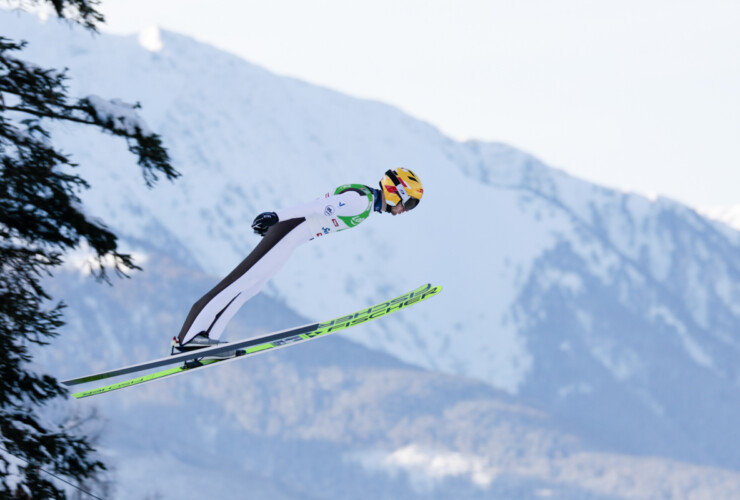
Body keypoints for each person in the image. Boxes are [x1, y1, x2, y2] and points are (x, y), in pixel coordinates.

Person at [172, 167, 424, 354]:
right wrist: (276, 217)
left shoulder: (367, 204)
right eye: (409, 202)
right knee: (236, 283)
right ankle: (186, 340)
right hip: (287, 232)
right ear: (396, 192)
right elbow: (316, 207)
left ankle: (207, 340)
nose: (406, 210)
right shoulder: (360, 201)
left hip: (291, 240)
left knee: (250, 288)